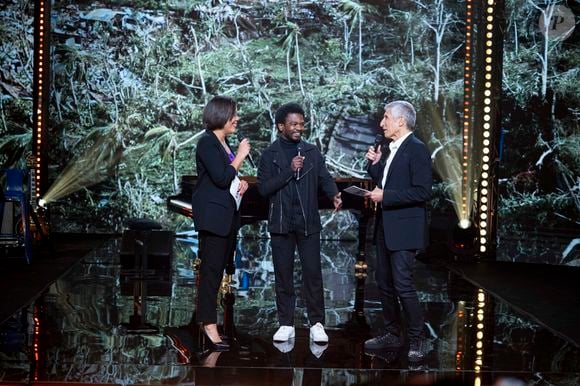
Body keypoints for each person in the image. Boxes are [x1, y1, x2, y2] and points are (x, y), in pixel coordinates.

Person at [257, 102, 342, 345]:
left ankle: (316, 323)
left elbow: (324, 177)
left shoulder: (311, 152)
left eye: (302, 124)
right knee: (283, 275)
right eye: (293, 124)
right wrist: (288, 170)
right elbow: (264, 189)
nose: (298, 128)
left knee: (313, 274)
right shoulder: (270, 155)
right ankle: (286, 323)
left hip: (308, 223)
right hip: (281, 223)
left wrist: (334, 193)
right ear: (280, 126)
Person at [363, 100, 432, 360]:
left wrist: (386, 196)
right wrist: (375, 165)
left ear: (401, 121)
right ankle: (392, 333)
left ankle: (417, 339)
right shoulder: (392, 148)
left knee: (403, 284)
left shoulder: (416, 149)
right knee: (384, 282)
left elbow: (423, 191)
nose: (382, 123)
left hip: (404, 229)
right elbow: (387, 183)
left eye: (386, 118)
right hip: (386, 226)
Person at [191, 95, 251, 351]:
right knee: (211, 273)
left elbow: (228, 179)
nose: (236, 119)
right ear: (220, 116)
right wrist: (239, 157)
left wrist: (240, 184)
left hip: (226, 216)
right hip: (214, 217)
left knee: (217, 270)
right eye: (233, 114)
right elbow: (219, 177)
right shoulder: (207, 142)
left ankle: (209, 323)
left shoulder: (222, 142)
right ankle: (208, 324)